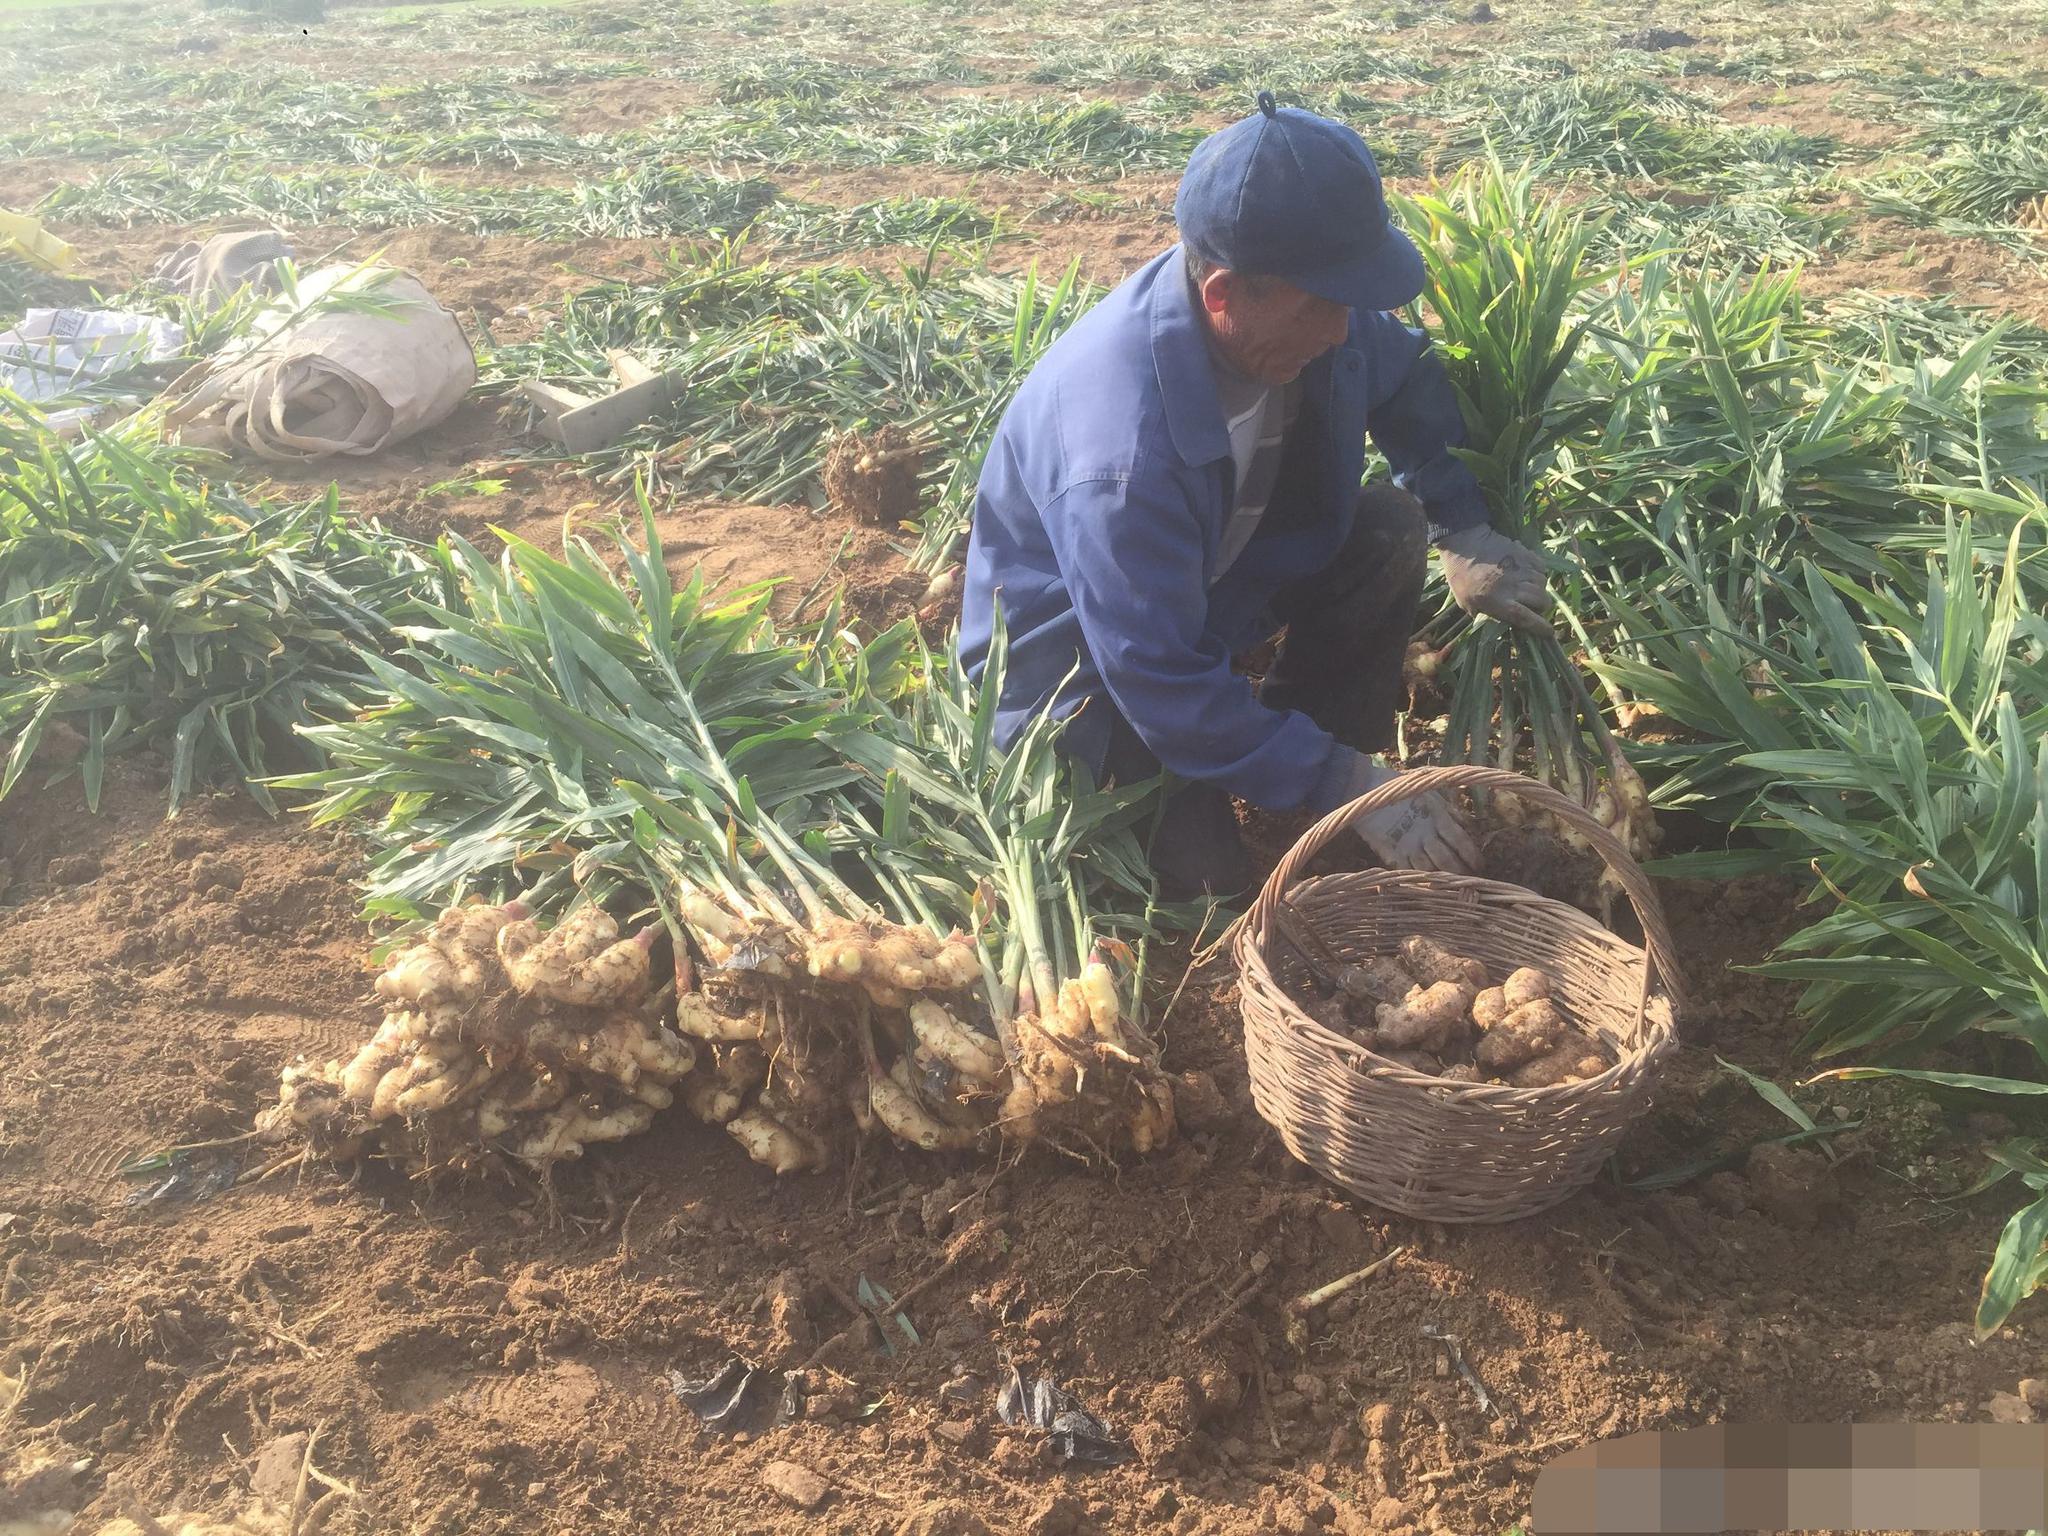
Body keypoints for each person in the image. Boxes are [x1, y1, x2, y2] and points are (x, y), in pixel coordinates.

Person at [958, 92, 1552, 899]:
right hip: (1085, 679)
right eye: (1322, 308)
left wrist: (1464, 526)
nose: (1342, 331)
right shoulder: (1118, 453)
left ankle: (1315, 768)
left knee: (1385, 527)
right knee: (1209, 895)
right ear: (1223, 295)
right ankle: (1311, 780)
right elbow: (1158, 677)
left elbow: (1400, 371)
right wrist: (1341, 782)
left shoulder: (1305, 317)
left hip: (1202, 589)